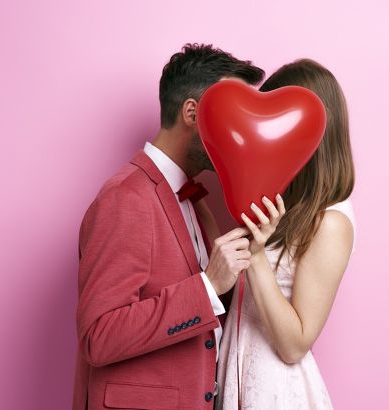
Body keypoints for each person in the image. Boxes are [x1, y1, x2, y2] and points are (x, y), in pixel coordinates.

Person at [72, 43, 264, 410]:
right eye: (233, 115)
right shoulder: (126, 198)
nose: (241, 133)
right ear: (193, 113)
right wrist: (208, 285)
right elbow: (99, 335)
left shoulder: (195, 202)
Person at [216, 59, 357, 409]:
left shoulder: (331, 223)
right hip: (234, 373)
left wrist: (257, 255)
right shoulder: (280, 206)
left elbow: (294, 345)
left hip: (275, 391)